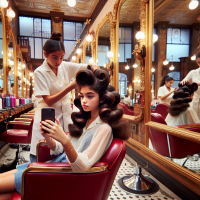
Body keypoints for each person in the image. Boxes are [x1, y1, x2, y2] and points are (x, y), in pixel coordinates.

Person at [0, 68, 130, 199]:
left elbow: (82, 165)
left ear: (102, 99)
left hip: (64, 175)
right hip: (56, 164)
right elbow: (59, 149)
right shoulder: (85, 120)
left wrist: (65, 140)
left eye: (89, 96)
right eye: (82, 95)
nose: (84, 100)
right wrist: (49, 138)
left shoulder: (104, 128)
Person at [30, 32, 98, 163]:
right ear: (45, 54)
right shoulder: (40, 72)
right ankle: (34, 171)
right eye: (54, 57)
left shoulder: (64, 66)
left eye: (61, 57)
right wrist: (70, 87)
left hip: (66, 114)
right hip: (47, 114)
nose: (59, 62)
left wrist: (92, 66)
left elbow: (85, 67)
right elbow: (48, 100)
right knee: (42, 150)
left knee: (61, 150)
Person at [179, 52, 200, 119]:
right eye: (198, 62)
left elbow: (197, 83)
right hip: (195, 100)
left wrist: (195, 84)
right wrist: (183, 82)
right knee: (194, 119)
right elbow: (183, 81)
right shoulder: (193, 72)